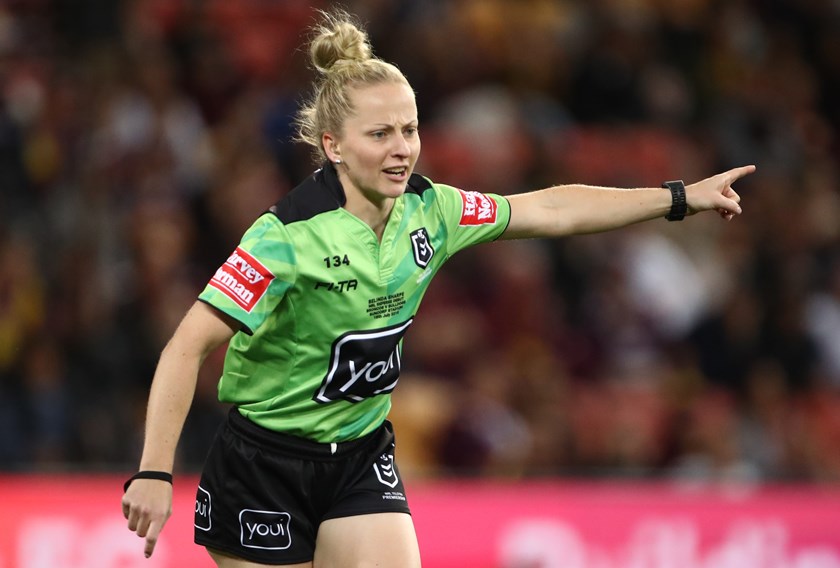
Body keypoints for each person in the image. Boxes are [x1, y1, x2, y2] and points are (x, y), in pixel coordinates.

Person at [121, 9, 755, 568]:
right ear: (332, 145)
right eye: (381, 135)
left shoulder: (435, 212)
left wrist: (678, 198)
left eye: (411, 130)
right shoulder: (285, 237)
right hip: (264, 465)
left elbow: (551, 210)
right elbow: (186, 347)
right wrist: (154, 470)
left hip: (360, 455)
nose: (403, 151)